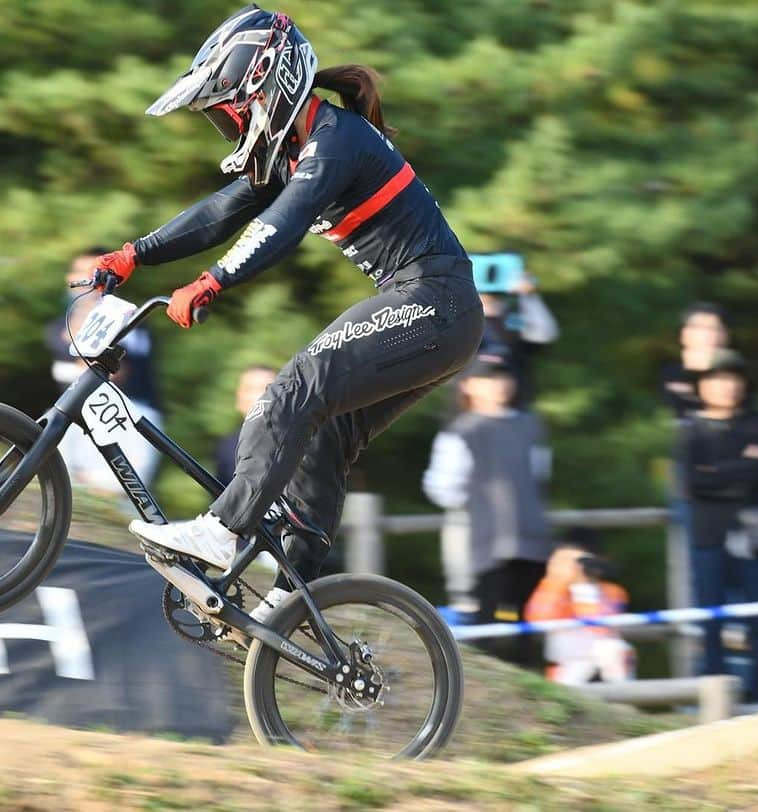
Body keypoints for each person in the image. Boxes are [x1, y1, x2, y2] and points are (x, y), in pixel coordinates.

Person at [94, 6, 484, 621]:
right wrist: (133, 254)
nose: (231, 128)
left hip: (433, 303)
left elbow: (283, 223)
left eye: (231, 114)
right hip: (434, 313)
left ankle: (224, 530)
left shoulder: (336, 141)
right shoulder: (300, 148)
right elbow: (223, 211)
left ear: (268, 87)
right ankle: (291, 596)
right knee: (327, 429)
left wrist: (213, 281)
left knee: (290, 393)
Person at [422, 357, 551, 662]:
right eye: (489, 378)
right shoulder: (462, 431)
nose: (500, 384)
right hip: (482, 542)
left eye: (503, 377)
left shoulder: (530, 426)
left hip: (531, 540)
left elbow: (539, 475)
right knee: (485, 625)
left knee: (523, 624)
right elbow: (443, 488)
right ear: (468, 385)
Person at [676, 349, 758, 701]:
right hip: (709, 530)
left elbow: (755, 473)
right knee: (711, 615)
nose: (727, 387)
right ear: (702, 385)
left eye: (734, 378)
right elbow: (691, 480)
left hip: (755, 529)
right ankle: (714, 693)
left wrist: (715, 473)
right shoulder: (690, 430)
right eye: (718, 379)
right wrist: (735, 469)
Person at [45, 248, 162, 490]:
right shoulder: (58, 326)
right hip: (76, 417)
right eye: (81, 272)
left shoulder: (130, 322)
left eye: (95, 272)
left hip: (125, 416)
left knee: (118, 493)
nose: (88, 280)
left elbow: (117, 373)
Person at [524, 537, 635, 685]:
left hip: (603, 660)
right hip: (567, 665)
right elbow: (538, 618)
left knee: (614, 649)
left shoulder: (612, 592)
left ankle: (624, 699)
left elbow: (602, 626)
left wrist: (585, 588)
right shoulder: (553, 589)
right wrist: (556, 580)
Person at [471, 252, 559, 407]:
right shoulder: (461, 318)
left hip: (514, 408)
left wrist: (529, 296)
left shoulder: (514, 318)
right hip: (466, 409)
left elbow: (545, 335)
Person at [660, 302, 730, 419]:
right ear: (683, 334)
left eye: (715, 328)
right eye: (699, 328)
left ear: (725, 335)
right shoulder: (664, 375)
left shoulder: (739, 378)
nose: (708, 335)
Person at [216, 364, 277, 484]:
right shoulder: (226, 448)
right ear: (239, 398)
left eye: (265, 389)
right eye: (249, 389)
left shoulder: (304, 442)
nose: (257, 396)